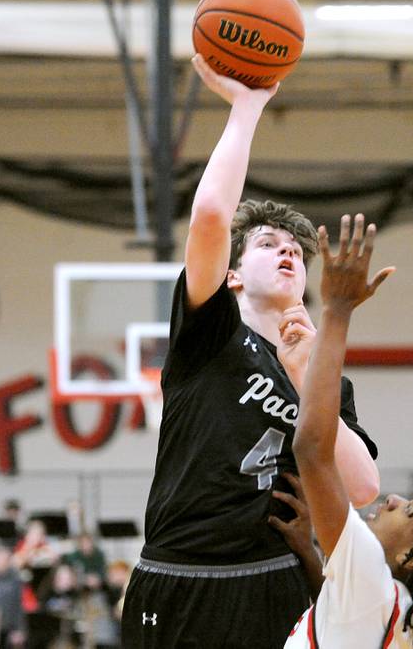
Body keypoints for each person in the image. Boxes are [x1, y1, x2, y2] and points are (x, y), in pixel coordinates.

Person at [122, 55, 380, 648]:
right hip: (178, 572)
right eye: (268, 244)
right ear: (234, 275)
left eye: (295, 247)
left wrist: (302, 370)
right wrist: (248, 106)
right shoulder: (209, 332)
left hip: (273, 577)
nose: (288, 251)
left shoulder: (319, 366)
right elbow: (212, 215)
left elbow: (363, 487)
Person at [284, 215, 413, 647]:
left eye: (410, 509)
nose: (394, 499)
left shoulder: (369, 571)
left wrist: (337, 312)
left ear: (412, 557)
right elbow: (335, 616)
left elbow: (310, 447)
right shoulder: (403, 609)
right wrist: (308, 553)